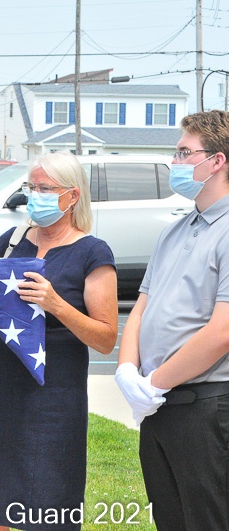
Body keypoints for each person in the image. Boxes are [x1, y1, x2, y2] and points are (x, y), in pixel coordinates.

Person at [0, 151, 118, 531]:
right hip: (1, 390)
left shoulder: (92, 252)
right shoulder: (11, 242)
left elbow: (105, 338)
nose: (35, 195)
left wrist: (56, 304)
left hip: (54, 398)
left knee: (50, 506)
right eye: (31, 187)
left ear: (73, 196)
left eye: (45, 188)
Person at [115, 109, 229, 531]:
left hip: (208, 405)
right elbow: (141, 307)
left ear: (216, 160)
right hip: (159, 407)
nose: (174, 162)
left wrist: (154, 383)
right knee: (170, 519)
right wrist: (127, 371)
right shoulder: (174, 230)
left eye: (184, 153)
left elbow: (222, 331)